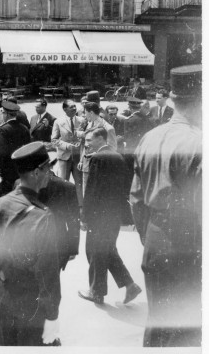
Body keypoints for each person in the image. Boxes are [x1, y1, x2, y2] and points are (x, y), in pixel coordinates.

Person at [130, 65, 202, 347]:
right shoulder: (198, 143)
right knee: (187, 330)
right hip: (188, 243)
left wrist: (148, 236)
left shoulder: (151, 137)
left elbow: (135, 198)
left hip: (155, 240)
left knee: (158, 323)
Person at [0, 142, 61, 346]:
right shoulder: (43, 217)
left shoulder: (2, 203)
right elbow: (48, 274)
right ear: (38, 172)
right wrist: (52, 316)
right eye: (48, 168)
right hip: (31, 305)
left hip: (4, 298)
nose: (50, 172)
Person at [78, 128, 142, 305]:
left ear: (100, 138)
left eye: (90, 140)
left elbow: (92, 189)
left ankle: (96, 292)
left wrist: (84, 215)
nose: (87, 143)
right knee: (107, 250)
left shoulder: (98, 158)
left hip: (99, 216)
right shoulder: (117, 156)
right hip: (113, 215)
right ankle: (130, 285)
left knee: (95, 251)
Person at [76, 102, 116, 207]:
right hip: (86, 164)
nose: (84, 115)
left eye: (85, 113)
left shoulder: (108, 128)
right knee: (86, 191)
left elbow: (112, 149)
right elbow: (86, 145)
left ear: (91, 113)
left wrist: (95, 154)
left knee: (98, 193)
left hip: (100, 165)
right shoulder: (89, 124)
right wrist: (81, 160)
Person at [0, 100, 31, 197]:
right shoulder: (24, 128)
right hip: (22, 169)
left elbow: (1, 153)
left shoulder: (3, 129)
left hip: (8, 170)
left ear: (6, 114)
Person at [51, 99, 83, 207]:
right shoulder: (58, 121)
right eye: (71, 107)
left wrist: (80, 144)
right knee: (63, 182)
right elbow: (54, 140)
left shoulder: (82, 120)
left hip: (79, 158)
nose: (74, 108)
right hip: (64, 157)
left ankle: (80, 207)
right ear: (65, 109)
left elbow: (86, 137)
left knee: (80, 183)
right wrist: (67, 146)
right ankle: (64, 206)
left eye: (75, 106)